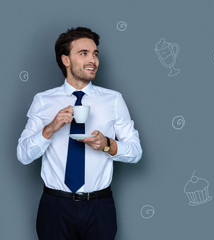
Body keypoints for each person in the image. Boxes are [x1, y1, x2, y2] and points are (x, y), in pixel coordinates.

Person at [16, 27, 142, 240]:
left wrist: (106, 144)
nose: (92, 60)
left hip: (99, 206)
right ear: (66, 60)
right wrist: (50, 129)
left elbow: (136, 152)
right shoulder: (43, 100)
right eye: (83, 53)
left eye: (95, 54)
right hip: (55, 206)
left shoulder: (114, 100)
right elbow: (23, 155)